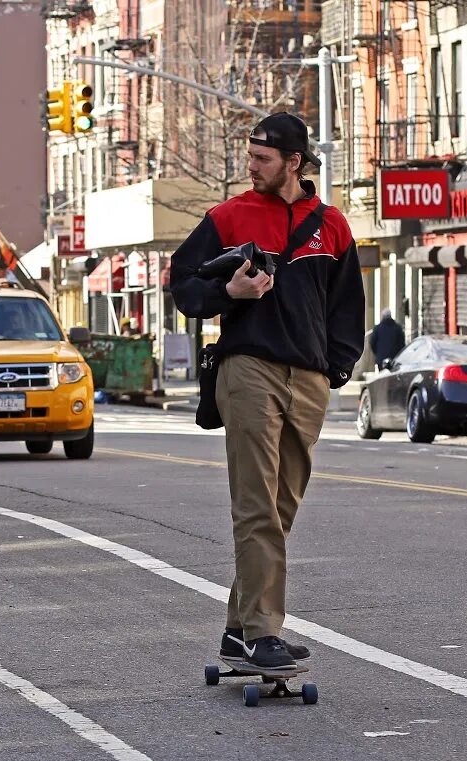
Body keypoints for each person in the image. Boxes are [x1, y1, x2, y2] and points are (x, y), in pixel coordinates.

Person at [168, 113, 364, 670]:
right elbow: (183, 284)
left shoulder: (332, 226)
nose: (250, 167)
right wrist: (227, 290)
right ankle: (262, 633)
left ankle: (238, 628)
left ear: (294, 163)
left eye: (262, 159)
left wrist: (336, 368)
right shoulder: (228, 217)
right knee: (256, 506)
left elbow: (348, 305)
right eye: (249, 156)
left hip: (308, 379)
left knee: (281, 509)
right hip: (248, 368)